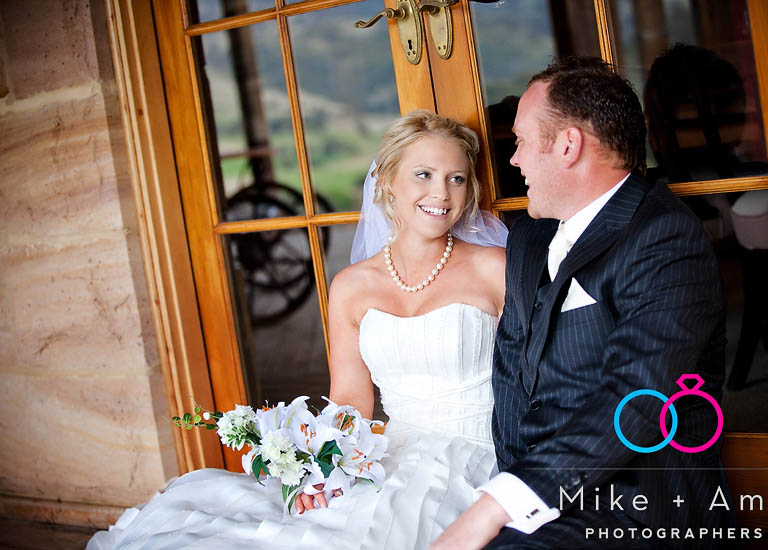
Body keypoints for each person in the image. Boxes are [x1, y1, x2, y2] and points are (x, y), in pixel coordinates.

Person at [86, 110, 508, 550]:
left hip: (473, 458)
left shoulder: (493, 268)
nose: (441, 193)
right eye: (424, 174)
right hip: (390, 454)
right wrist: (325, 468)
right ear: (387, 182)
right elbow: (350, 398)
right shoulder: (351, 286)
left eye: (457, 179)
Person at [432, 58, 734, 550]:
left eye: (521, 141)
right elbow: (511, 374)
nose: (514, 160)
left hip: (634, 505)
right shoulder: (530, 236)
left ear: (568, 145)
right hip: (537, 492)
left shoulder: (664, 237)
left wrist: (497, 508)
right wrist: (511, 498)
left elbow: (638, 398)